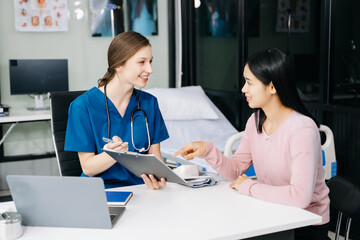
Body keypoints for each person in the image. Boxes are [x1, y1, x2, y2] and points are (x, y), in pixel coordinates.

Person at [174, 48, 330, 240]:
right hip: (272, 211)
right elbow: (236, 170)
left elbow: (300, 197)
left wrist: (249, 186)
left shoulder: (302, 130)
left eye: (249, 82)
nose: (243, 89)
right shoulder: (255, 120)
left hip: (305, 223)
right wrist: (207, 150)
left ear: (272, 87)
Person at [65, 31, 169, 190]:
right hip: (101, 191)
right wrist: (114, 154)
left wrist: (161, 178)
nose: (150, 69)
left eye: (150, 62)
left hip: (142, 190)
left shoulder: (149, 103)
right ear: (118, 65)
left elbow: (155, 158)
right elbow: (88, 168)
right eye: (141, 62)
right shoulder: (82, 106)